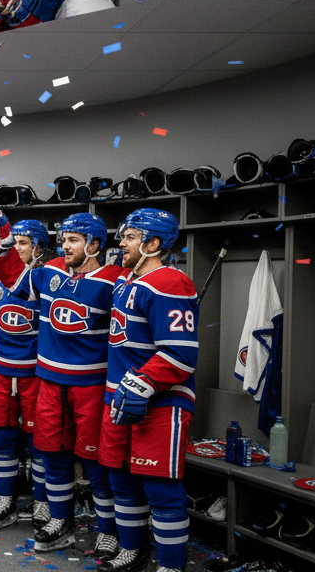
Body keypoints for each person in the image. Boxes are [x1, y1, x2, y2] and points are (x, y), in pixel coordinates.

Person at [98, 209, 198, 572]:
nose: (121, 243)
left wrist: (141, 384)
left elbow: (182, 354)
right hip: (118, 399)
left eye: (130, 237)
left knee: (160, 487)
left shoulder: (170, 282)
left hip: (161, 402)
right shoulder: (127, 280)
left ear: (153, 243)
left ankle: (172, 566)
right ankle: (132, 549)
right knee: (120, 479)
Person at [23, 212, 122, 562]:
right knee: (52, 453)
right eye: (63, 239)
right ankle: (61, 519)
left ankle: (108, 530)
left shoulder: (115, 281)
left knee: (96, 461)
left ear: (94, 245)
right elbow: (13, 275)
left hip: (91, 384)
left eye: (74, 240)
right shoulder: (48, 270)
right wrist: (2, 236)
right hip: (49, 380)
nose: (65, 245)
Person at [0, 213, 51, 533]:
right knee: (2, 438)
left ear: (39, 248)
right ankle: (5, 498)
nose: (18, 248)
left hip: (36, 372)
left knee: (40, 441)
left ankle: (43, 501)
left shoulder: (48, 279)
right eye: (15, 242)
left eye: (23, 243)